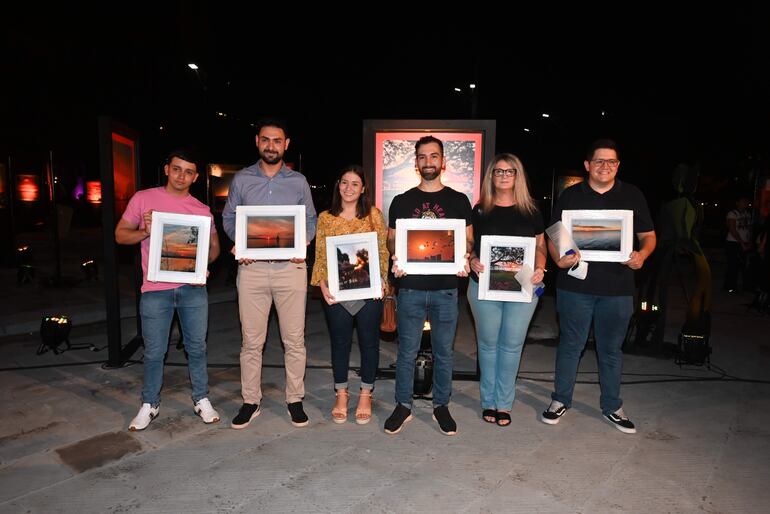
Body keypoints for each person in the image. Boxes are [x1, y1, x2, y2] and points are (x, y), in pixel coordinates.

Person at [541, 139, 656, 434]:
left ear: (618, 165)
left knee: (611, 350)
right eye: (599, 161)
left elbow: (648, 236)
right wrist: (558, 260)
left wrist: (642, 255)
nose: (605, 166)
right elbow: (554, 234)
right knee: (570, 345)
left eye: (611, 161)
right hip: (574, 286)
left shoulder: (632, 195)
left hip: (618, 289)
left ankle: (612, 406)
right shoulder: (570, 195)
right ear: (587, 165)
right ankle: (560, 400)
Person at [116, 149, 221, 431]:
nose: (181, 176)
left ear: (195, 177)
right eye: (176, 169)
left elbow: (214, 248)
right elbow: (120, 234)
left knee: (197, 347)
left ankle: (201, 398)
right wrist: (145, 231)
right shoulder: (143, 199)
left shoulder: (201, 210)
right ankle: (150, 403)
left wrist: (201, 263)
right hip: (154, 289)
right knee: (154, 351)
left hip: (192, 289)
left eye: (188, 172)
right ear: (166, 169)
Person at [222, 119, 317, 429]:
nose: (271, 145)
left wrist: (303, 241)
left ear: (286, 144)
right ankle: (251, 400)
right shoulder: (242, 179)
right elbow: (229, 217)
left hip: (291, 269)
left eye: (277, 140)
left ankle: (295, 399)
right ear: (257, 141)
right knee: (251, 342)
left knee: (295, 340)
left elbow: (311, 220)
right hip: (252, 270)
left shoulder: (299, 182)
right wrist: (240, 242)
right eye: (266, 139)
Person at [384, 135, 473, 436]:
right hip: (410, 287)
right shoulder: (402, 201)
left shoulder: (459, 200)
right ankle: (403, 405)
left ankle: (441, 405)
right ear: (416, 163)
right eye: (422, 157)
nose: (428, 162)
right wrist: (396, 253)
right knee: (406, 352)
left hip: (446, 289)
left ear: (443, 161)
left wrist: (464, 254)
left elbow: (468, 239)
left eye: (434, 156)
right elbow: (391, 238)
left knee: (444, 352)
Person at [467, 153, 546, 427]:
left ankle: (504, 403)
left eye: (509, 171)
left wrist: (541, 268)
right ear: (491, 176)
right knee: (487, 345)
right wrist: (472, 260)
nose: (503, 176)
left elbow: (540, 246)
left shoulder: (531, 211)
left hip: (523, 287)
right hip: (483, 286)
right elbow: (470, 245)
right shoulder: (479, 211)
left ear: (517, 175)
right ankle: (488, 401)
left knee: (512, 346)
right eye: (498, 171)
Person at [310, 165, 389, 425]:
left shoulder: (374, 215)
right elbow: (321, 255)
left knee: (369, 342)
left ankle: (366, 393)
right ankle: (341, 393)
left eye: (355, 183)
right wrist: (322, 284)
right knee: (340, 343)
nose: (349, 188)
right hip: (337, 292)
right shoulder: (325, 218)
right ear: (338, 185)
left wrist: (382, 281)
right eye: (344, 182)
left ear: (363, 188)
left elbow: (383, 251)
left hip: (368, 293)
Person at [724, 195, 752, 292]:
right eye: (743, 201)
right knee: (733, 265)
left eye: (746, 201)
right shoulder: (732, 214)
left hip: (744, 242)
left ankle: (745, 286)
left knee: (745, 265)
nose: (745, 203)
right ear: (737, 203)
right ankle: (730, 287)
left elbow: (749, 229)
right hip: (733, 243)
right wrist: (742, 243)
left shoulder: (747, 214)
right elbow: (732, 230)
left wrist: (749, 242)